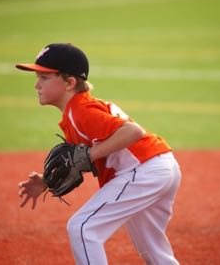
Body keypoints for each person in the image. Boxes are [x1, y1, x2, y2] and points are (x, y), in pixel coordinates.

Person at [16, 43, 181, 264]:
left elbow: (132, 132)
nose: (37, 85)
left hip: (144, 170)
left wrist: (91, 155)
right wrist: (46, 181)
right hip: (159, 166)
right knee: (154, 251)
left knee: (83, 228)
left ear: (70, 82)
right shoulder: (77, 111)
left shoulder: (81, 111)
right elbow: (77, 161)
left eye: (44, 78)